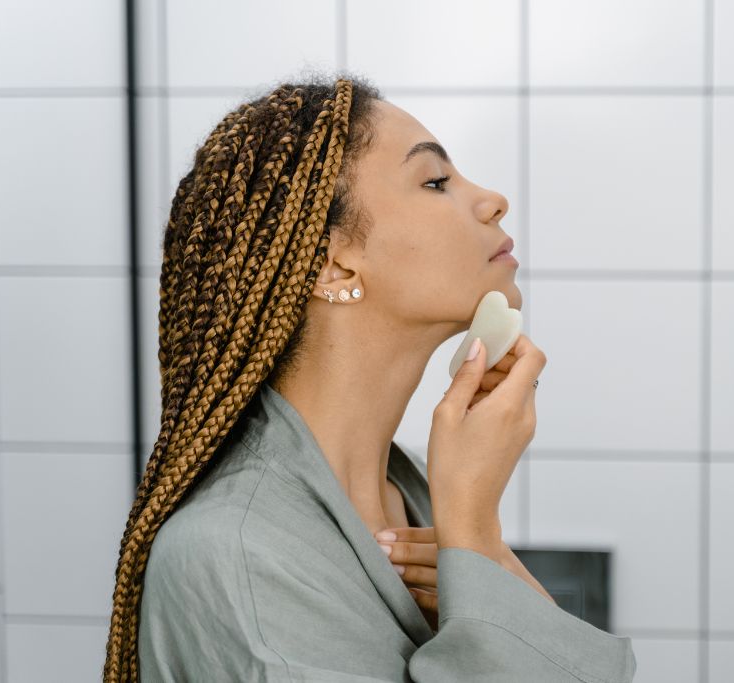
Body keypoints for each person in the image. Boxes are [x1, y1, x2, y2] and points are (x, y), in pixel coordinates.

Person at [102, 71, 637, 682]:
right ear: (331, 263)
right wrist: (472, 525)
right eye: (436, 182)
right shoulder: (236, 557)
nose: (492, 199)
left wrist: (484, 558)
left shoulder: (410, 498)